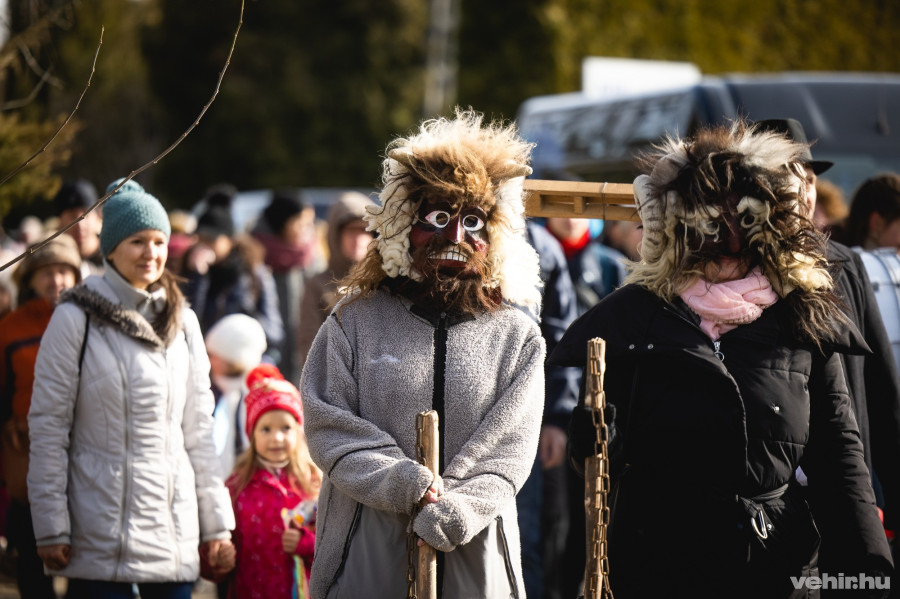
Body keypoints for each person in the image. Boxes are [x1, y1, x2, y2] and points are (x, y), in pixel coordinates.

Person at [551, 120, 893, 598]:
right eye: (712, 220)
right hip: (662, 568)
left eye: (743, 219)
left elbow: (839, 454)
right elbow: (601, 461)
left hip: (778, 566)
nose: (728, 239)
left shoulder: (800, 316)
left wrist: (869, 563)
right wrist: (592, 440)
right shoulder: (638, 318)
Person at [300, 109, 546, 598]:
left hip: (475, 542)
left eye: (472, 221)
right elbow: (326, 420)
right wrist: (399, 480)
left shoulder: (516, 336)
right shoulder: (355, 321)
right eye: (437, 218)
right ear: (402, 223)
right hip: (367, 539)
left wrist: (459, 510)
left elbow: (510, 448)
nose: (455, 237)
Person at [27, 178, 236, 598]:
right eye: (137, 241)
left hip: (172, 533)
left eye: (159, 241)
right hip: (98, 536)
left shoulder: (183, 321)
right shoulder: (75, 317)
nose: (151, 253)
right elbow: (49, 428)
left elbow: (198, 432)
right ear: (111, 248)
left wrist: (217, 526)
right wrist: (50, 526)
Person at [755, 119, 900, 554]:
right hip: (772, 496)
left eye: (811, 179)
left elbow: (880, 384)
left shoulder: (845, 264)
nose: (803, 191)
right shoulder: (737, 271)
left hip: (845, 480)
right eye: (789, 177)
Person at [0, 235, 81, 598]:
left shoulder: (89, 321)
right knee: (31, 554)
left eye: (64, 270)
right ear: (30, 279)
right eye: (47, 272)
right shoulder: (9, 328)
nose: (57, 279)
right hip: (28, 453)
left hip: (82, 451)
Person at [205, 364, 320, 599]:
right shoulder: (236, 486)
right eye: (266, 429)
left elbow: (335, 543)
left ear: (299, 431)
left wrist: (306, 543)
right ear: (252, 434)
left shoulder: (314, 483)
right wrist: (218, 559)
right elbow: (218, 545)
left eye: (286, 428)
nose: (276, 438)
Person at [183, 188, 284, 362]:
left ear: (230, 240)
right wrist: (198, 278)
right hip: (206, 360)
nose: (205, 246)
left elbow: (274, 332)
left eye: (212, 240)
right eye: (200, 239)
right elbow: (189, 324)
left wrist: (245, 313)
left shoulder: (253, 272)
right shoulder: (189, 270)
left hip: (246, 360)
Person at [296, 191, 374, 371]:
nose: (358, 239)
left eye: (364, 231)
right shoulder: (317, 285)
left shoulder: (386, 282)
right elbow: (310, 349)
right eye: (351, 231)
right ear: (335, 236)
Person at [251, 189, 323, 384]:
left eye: (310, 223)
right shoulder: (253, 255)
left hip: (304, 355)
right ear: (282, 221)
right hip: (265, 360)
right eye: (301, 222)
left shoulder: (311, 255)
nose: (308, 230)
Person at [205, 313, 269, 480]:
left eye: (214, 356)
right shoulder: (216, 392)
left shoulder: (257, 397)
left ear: (231, 359)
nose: (210, 362)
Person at [53, 179, 104, 279]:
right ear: (60, 221)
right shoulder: (52, 264)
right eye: (72, 216)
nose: (80, 224)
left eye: (86, 214)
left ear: (97, 217)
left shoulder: (112, 258)